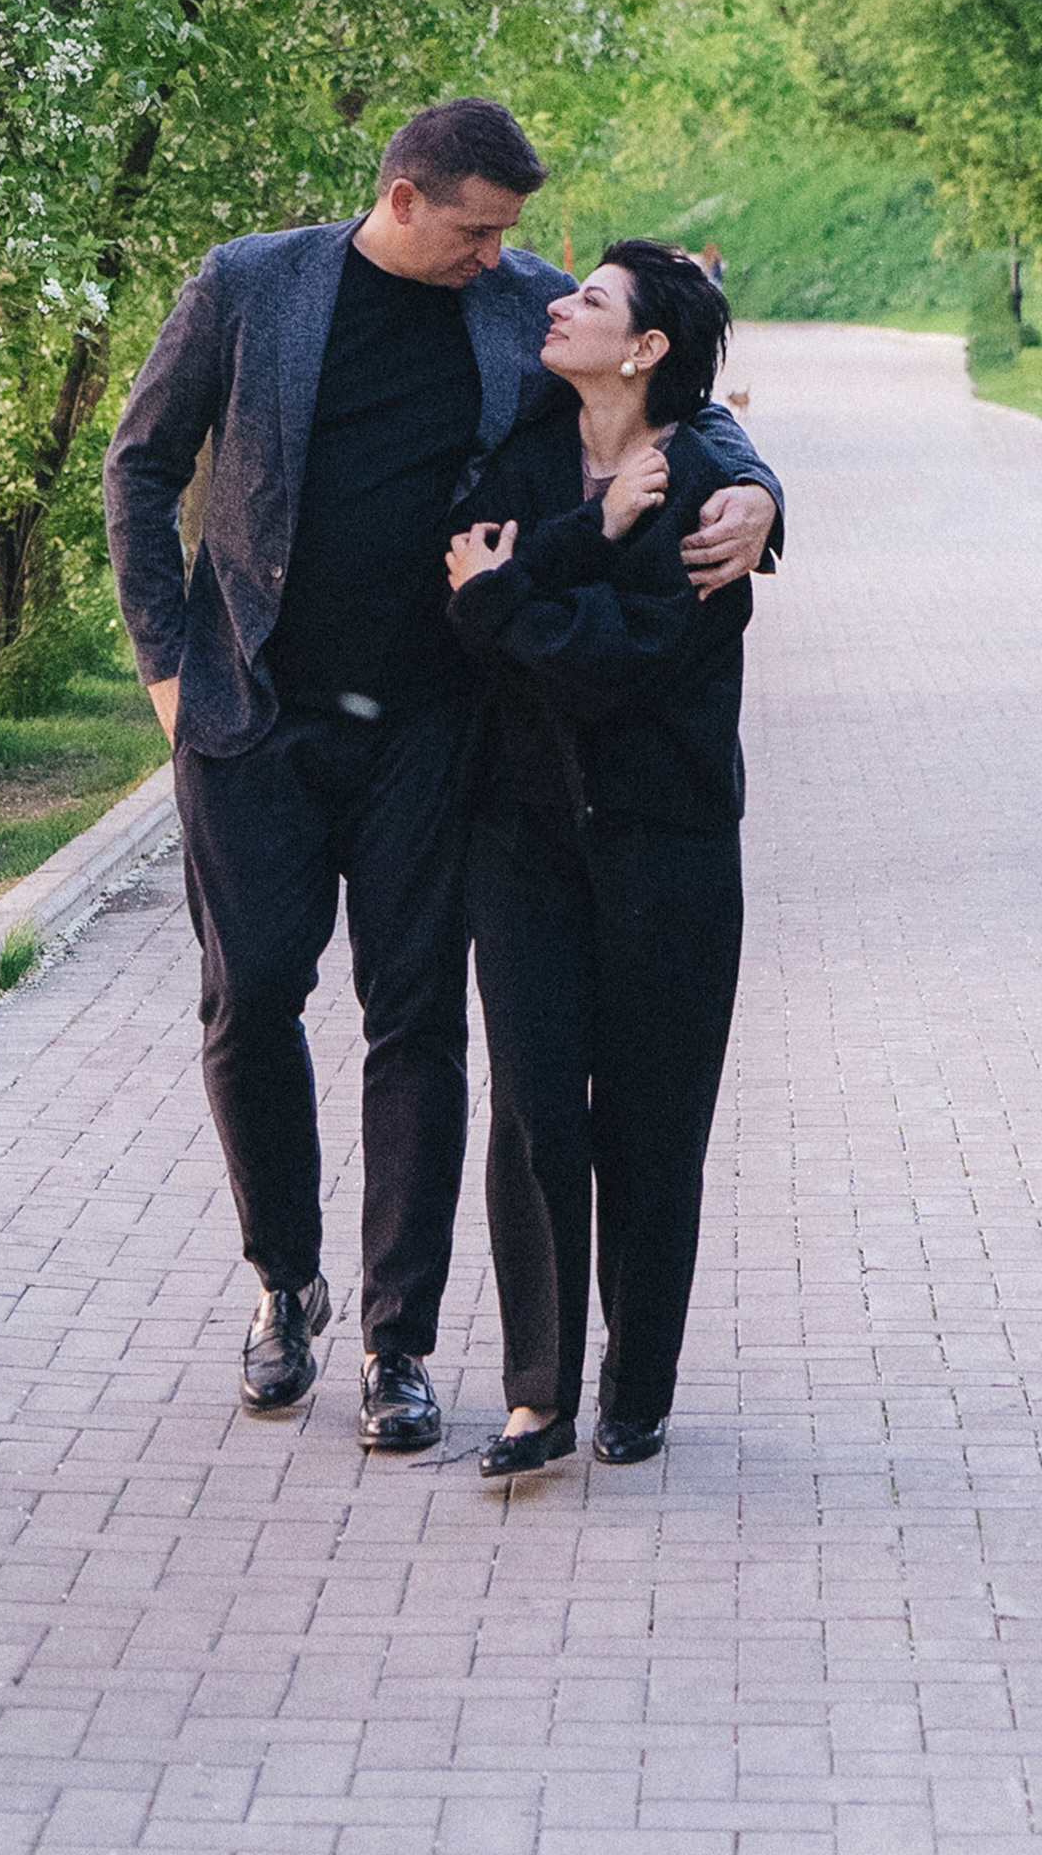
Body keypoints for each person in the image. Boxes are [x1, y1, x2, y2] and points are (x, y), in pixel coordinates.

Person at [102, 102, 784, 1450]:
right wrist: (169, 675)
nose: (503, 260)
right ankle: (283, 1280)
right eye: (479, 230)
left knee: (416, 1019)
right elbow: (140, 465)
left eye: (513, 239)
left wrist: (761, 493)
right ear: (408, 200)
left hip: (431, 726)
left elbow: (676, 388)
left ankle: (392, 1342)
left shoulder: (514, 299)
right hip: (253, 715)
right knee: (250, 1000)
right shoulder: (252, 287)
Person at [445, 241, 750, 1477]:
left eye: (589, 300)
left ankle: (636, 1387)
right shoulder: (521, 447)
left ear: (645, 349)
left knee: (650, 1120)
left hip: (665, 845)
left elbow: (629, 656)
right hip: (518, 840)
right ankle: (534, 1397)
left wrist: (503, 602)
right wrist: (567, 543)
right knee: (528, 1113)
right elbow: (455, 589)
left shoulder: (709, 493)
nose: (555, 306)